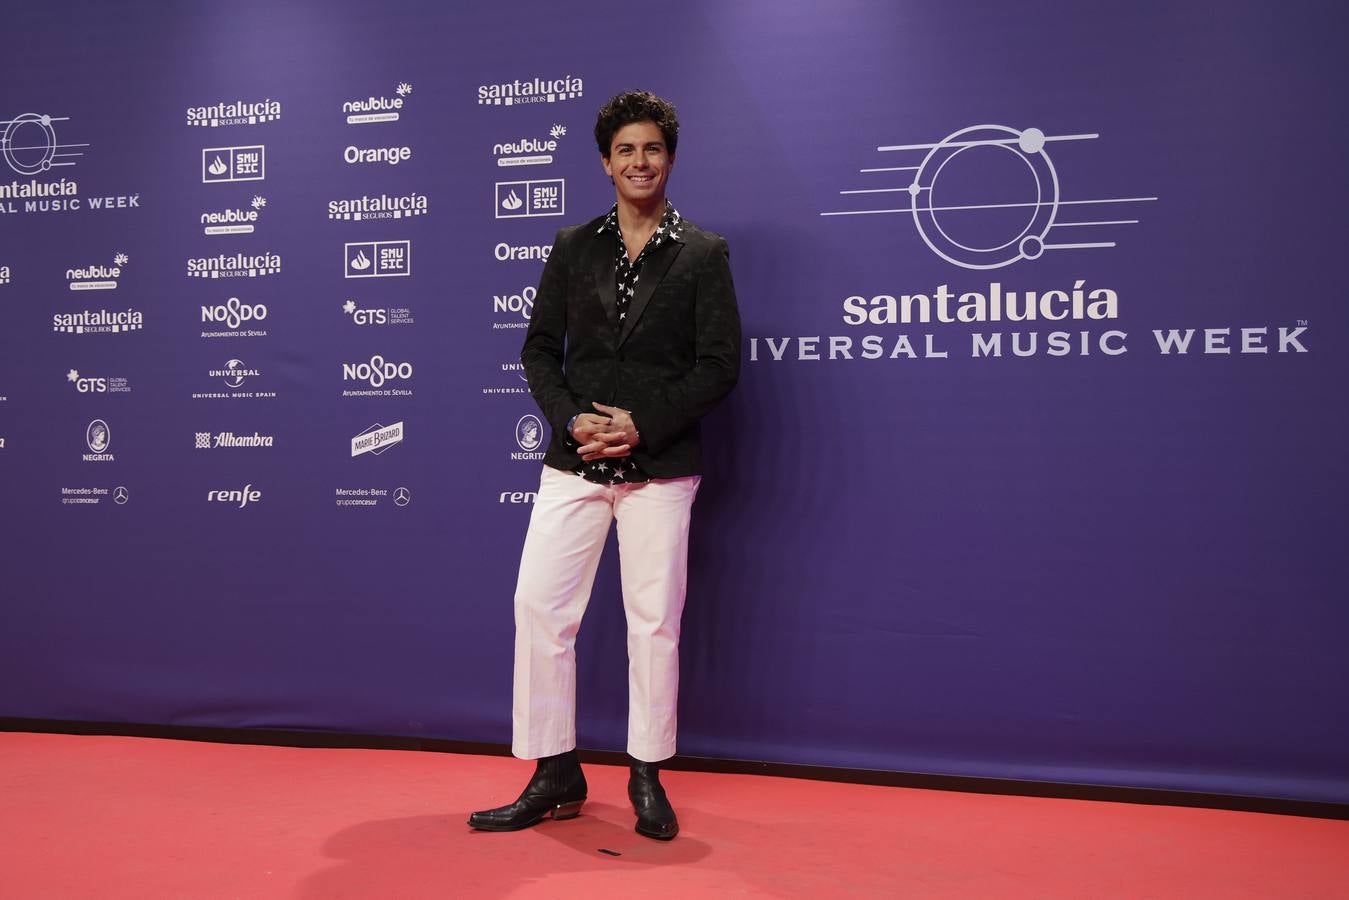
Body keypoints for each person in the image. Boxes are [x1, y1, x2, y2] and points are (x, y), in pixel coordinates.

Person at [469, 90, 741, 841]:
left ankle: (647, 773)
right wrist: (570, 417)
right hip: (572, 461)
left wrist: (642, 424)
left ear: (670, 158)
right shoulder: (572, 246)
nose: (639, 161)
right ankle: (553, 770)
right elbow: (537, 350)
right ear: (605, 162)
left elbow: (720, 365)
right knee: (540, 609)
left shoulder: (703, 253)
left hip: (658, 465)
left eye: (651, 149)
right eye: (625, 150)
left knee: (651, 622)